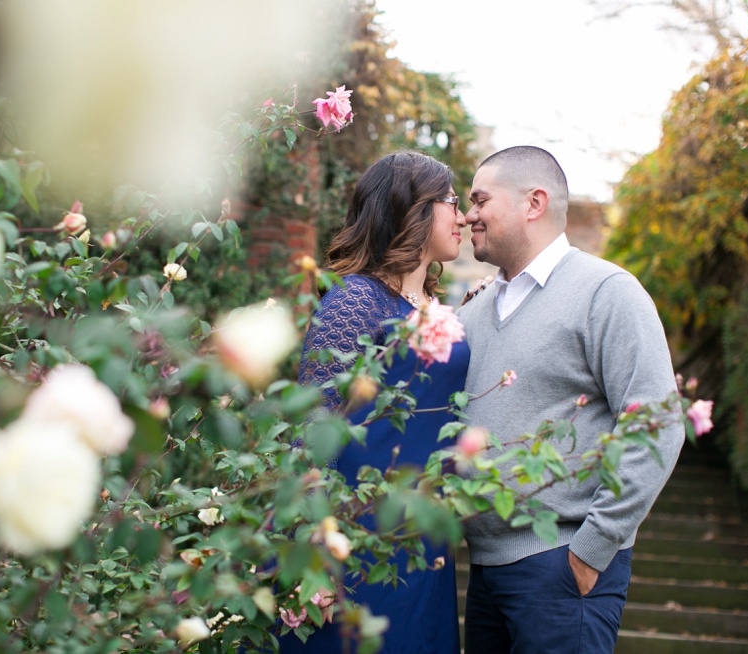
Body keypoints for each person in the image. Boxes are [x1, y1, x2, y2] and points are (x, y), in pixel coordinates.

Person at [456, 146, 685, 653]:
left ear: (533, 203)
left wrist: (592, 549)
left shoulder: (607, 292)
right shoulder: (472, 312)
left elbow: (657, 424)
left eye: (480, 200)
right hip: (484, 570)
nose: (468, 214)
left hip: (563, 565)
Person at [277, 151, 468, 654]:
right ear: (415, 210)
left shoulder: (431, 307)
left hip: (421, 534)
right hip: (355, 529)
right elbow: (314, 427)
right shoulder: (355, 299)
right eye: (452, 201)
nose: (463, 214)